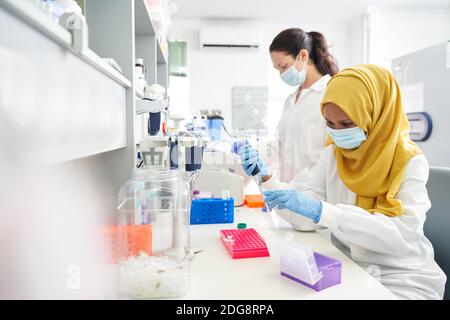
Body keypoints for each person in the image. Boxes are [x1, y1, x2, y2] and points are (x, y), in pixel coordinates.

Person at [263, 64, 447, 299]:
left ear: (375, 114)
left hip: (401, 277)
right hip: (350, 269)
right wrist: (271, 183)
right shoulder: (334, 153)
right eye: (330, 124)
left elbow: (401, 235)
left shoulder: (409, 161)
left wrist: (326, 212)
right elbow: (308, 219)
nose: (337, 133)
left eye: (347, 124)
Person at [239, 28, 338, 191]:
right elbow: (280, 144)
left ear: (303, 56)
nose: (281, 74)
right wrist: (256, 154)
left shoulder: (330, 93)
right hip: (288, 194)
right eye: (278, 69)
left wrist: (293, 188)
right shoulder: (291, 100)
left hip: (316, 194)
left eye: (283, 66)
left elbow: (330, 158)